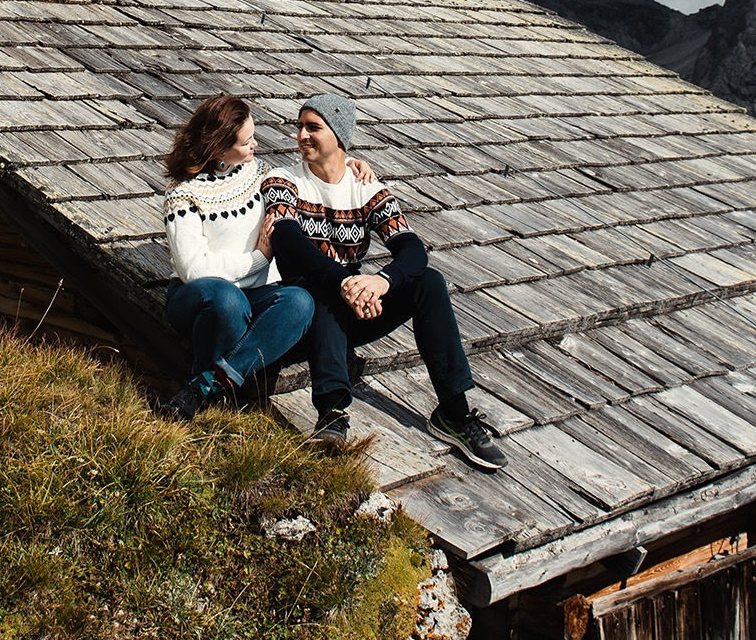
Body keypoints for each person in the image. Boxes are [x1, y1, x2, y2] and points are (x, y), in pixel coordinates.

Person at [263, 92, 507, 471]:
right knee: (321, 286)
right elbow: (288, 244)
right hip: (299, 312)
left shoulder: (367, 188)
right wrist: (345, 282)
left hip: (354, 307)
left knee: (429, 282)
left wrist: (381, 282)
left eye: (313, 128)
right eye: (300, 127)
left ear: (340, 137)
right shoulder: (283, 180)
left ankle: (454, 413)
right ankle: (332, 413)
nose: (302, 136)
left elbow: (412, 250)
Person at [156, 94, 374, 420]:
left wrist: (348, 165)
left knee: (300, 301)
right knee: (229, 301)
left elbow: (308, 180)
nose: (255, 145)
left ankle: (205, 386)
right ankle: (218, 395)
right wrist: (260, 258)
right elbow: (195, 270)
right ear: (218, 148)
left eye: (253, 136)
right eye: (246, 142)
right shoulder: (184, 195)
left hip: (254, 295)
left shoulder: (260, 174)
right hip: (199, 297)